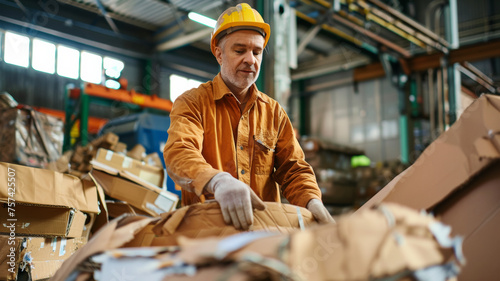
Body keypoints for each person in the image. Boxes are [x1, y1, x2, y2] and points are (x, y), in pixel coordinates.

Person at [163, 3, 334, 230]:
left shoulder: (275, 113)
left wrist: (312, 201)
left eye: (257, 51)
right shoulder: (193, 103)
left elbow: (294, 169)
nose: (250, 59)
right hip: (205, 232)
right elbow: (179, 153)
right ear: (219, 54)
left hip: (263, 233)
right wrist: (217, 181)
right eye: (239, 50)